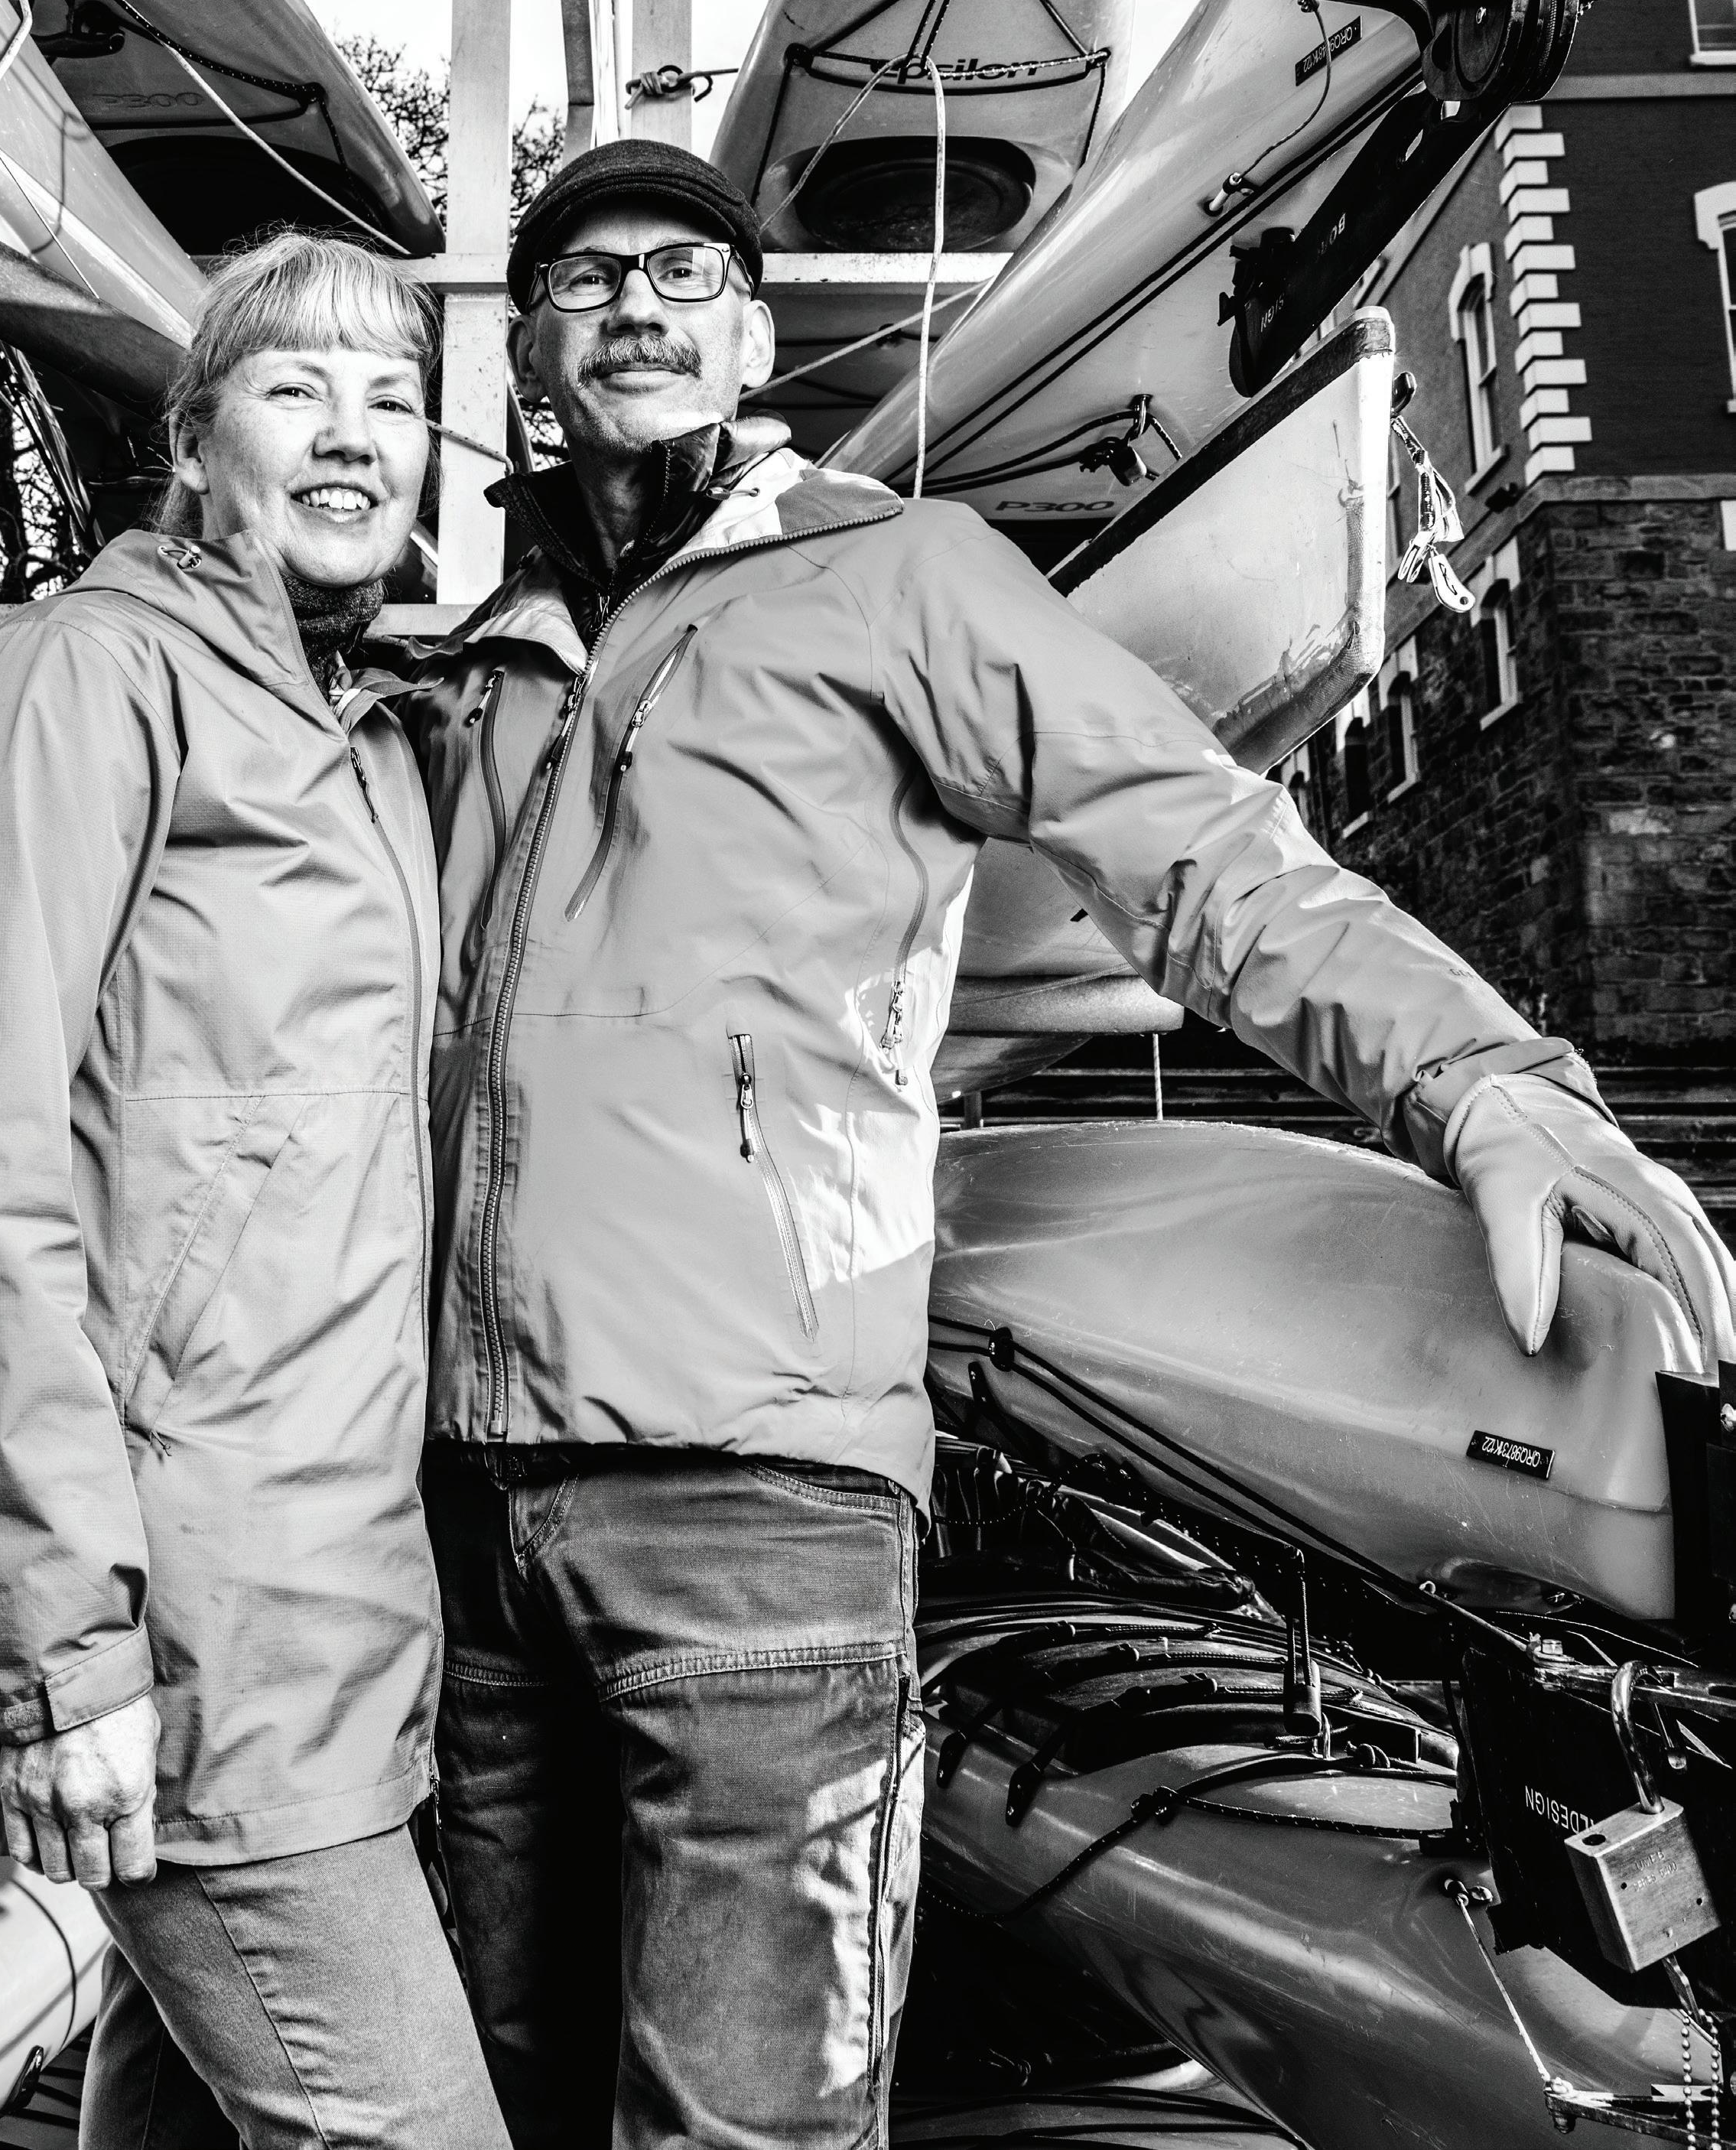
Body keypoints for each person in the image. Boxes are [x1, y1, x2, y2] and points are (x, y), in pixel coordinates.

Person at [401, 138, 1736, 2150]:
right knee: (496, 2093)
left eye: (681, 271)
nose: (634, 307)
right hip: (469, 1494)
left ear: (752, 339)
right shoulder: (481, 667)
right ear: (531, 356)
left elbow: (1198, 851)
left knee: (745, 2122)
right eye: (583, 280)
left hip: (757, 1487)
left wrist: (1479, 1074)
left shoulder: (896, 575)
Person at [0, 233, 509, 2150]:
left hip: (347, 1586)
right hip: (189, 1604)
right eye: (295, 388)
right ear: (192, 440)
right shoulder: (84, 673)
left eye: (392, 396)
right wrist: (67, 1651)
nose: (354, 432)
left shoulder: (362, 736)